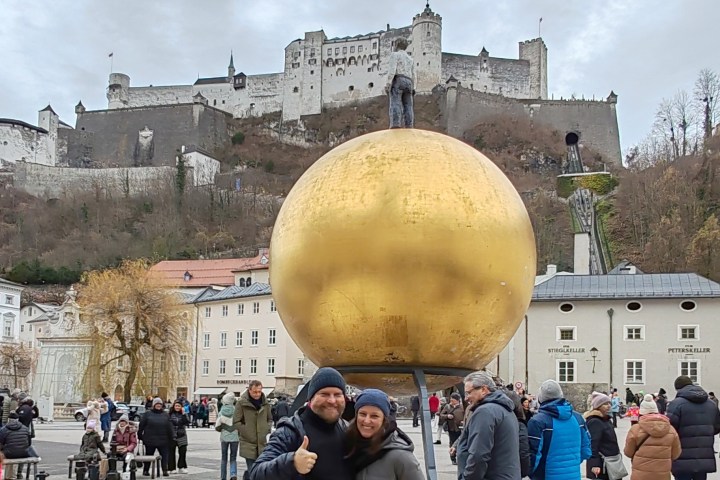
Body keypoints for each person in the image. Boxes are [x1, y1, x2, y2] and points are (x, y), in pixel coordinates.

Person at [250, 367, 353, 480]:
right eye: (324, 394)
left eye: (338, 394)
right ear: (310, 398)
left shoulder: (347, 429)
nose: (332, 400)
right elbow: (256, 473)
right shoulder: (289, 431)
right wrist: (292, 462)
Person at [343, 388, 423, 479]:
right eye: (362, 414)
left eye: (374, 416)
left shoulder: (400, 456)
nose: (367, 421)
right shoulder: (347, 446)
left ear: (384, 420)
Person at [456, 370, 520, 479]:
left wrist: (467, 477)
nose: (466, 398)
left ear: (484, 390)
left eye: (469, 392)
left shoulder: (485, 412)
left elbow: (478, 455)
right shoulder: (505, 410)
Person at [527, 379, 591, 480]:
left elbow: (533, 456)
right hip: (573, 475)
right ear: (561, 395)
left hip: (546, 475)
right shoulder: (578, 418)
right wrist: (570, 464)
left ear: (540, 398)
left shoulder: (537, 422)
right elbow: (586, 451)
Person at [666, 375, 720, 480]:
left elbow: (670, 428)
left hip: (682, 455)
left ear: (678, 388)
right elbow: (717, 426)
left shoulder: (676, 404)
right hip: (704, 454)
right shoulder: (711, 404)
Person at [624, 394, 681, 480]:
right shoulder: (671, 430)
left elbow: (628, 452)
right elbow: (676, 454)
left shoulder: (635, 429)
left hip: (640, 475)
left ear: (641, 412)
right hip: (663, 475)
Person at [234, 380, 273, 475]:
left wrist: (266, 429)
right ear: (249, 390)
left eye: (259, 391)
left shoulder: (265, 402)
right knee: (252, 471)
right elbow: (236, 421)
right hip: (248, 443)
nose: (257, 394)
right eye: (255, 392)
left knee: (262, 472)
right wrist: (246, 431)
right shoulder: (241, 403)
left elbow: (270, 419)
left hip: (262, 442)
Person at [584, 392, 621, 480]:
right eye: (604, 404)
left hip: (612, 462)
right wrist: (594, 464)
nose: (608, 406)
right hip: (602, 464)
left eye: (609, 403)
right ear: (598, 406)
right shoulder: (595, 421)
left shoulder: (606, 419)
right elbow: (592, 444)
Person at [138, 397, 174, 477]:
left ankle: (165, 470)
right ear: (153, 405)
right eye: (157, 404)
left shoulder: (165, 415)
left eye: (160, 404)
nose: (158, 406)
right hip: (150, 439)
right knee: (148, 455)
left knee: (165, 456)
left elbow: (169, 427)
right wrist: (140, 435)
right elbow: (141, 426)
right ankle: (146, 470)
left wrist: (172, 437)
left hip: (164, 440)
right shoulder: (147, 414)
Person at [385, 37, 415, 129]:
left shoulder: (395, 55)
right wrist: (414, 87)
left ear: (396, 45)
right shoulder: (410, 59)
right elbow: (414, 74)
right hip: (409, 81)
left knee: (395, 102)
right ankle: (409, 125)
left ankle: (395, 124)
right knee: (408, 105)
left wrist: (388, 83)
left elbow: (392, 70)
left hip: (398, 79)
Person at [0, 412, 37, 480]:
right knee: (17, 449)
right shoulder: (25, 428)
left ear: (8, 420)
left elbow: (1, 443)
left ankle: (9, 477)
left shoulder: (4, 429)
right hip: (23, 453)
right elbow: (29, 443)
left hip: (9, 454)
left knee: (9, 452)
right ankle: (14, 475)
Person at [216, 393, 239, 480]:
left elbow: (217, 426)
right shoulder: (236, 411)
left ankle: (223, 477)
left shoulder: (221, 412)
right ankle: (233, 474)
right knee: (233, 457)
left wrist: (223, 429)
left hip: (224, 437)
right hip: (235, 437)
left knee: (224, 458)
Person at [439, 393, 464, 465]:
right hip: (451, 428)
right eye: (451, 399)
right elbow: (441, 415)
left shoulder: (462, 407)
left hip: (460, 428)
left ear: (457, 400)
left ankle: (460, 457)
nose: (451, 401)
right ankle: (453, 458)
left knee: (461, 443)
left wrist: (464, 421)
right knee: (452, 443)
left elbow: (466, 415)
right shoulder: (447, 407)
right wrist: (447, 416)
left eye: (453, 400)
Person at [168, 401, 190, 474]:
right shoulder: (170, 414)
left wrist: (184, 414)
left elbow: (187, 422)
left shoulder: (183, 414)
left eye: (179, 406)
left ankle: (181, 467)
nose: (177, 407)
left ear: (181, 407)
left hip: (182, 435)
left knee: (183, 452)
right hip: (172, 435)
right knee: (171, 452)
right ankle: (171, 468)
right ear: (173, 407)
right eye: (176, 406)